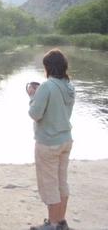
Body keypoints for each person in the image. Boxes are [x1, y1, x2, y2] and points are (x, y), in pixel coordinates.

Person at [27, 49, 75, 230]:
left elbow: (35, 114)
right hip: (65, 140)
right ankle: (60, 221)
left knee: (49, 185)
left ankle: (53, 224)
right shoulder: (70, 86)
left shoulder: (47, 86)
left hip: (48, 142)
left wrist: (33, 96)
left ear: (48, 67)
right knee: (62, 182)